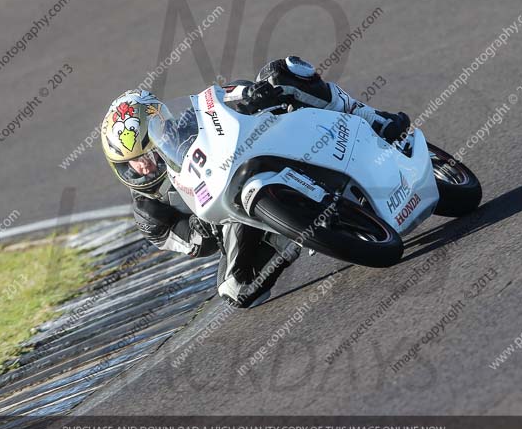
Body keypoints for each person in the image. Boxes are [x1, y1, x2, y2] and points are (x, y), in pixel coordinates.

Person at [100, 56, 410, 307]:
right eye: (130, 162)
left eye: (147, 151)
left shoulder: (184, 121)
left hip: (256, 152)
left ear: (159, 126)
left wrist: (249, 95)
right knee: (237, 289)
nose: (142, 165)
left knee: (279, 74)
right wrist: (206, 228)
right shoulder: (148, 213)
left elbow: (220, 98)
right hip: (230, 215)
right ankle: (292, 229)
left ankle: (372, 118)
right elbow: (193, 244)